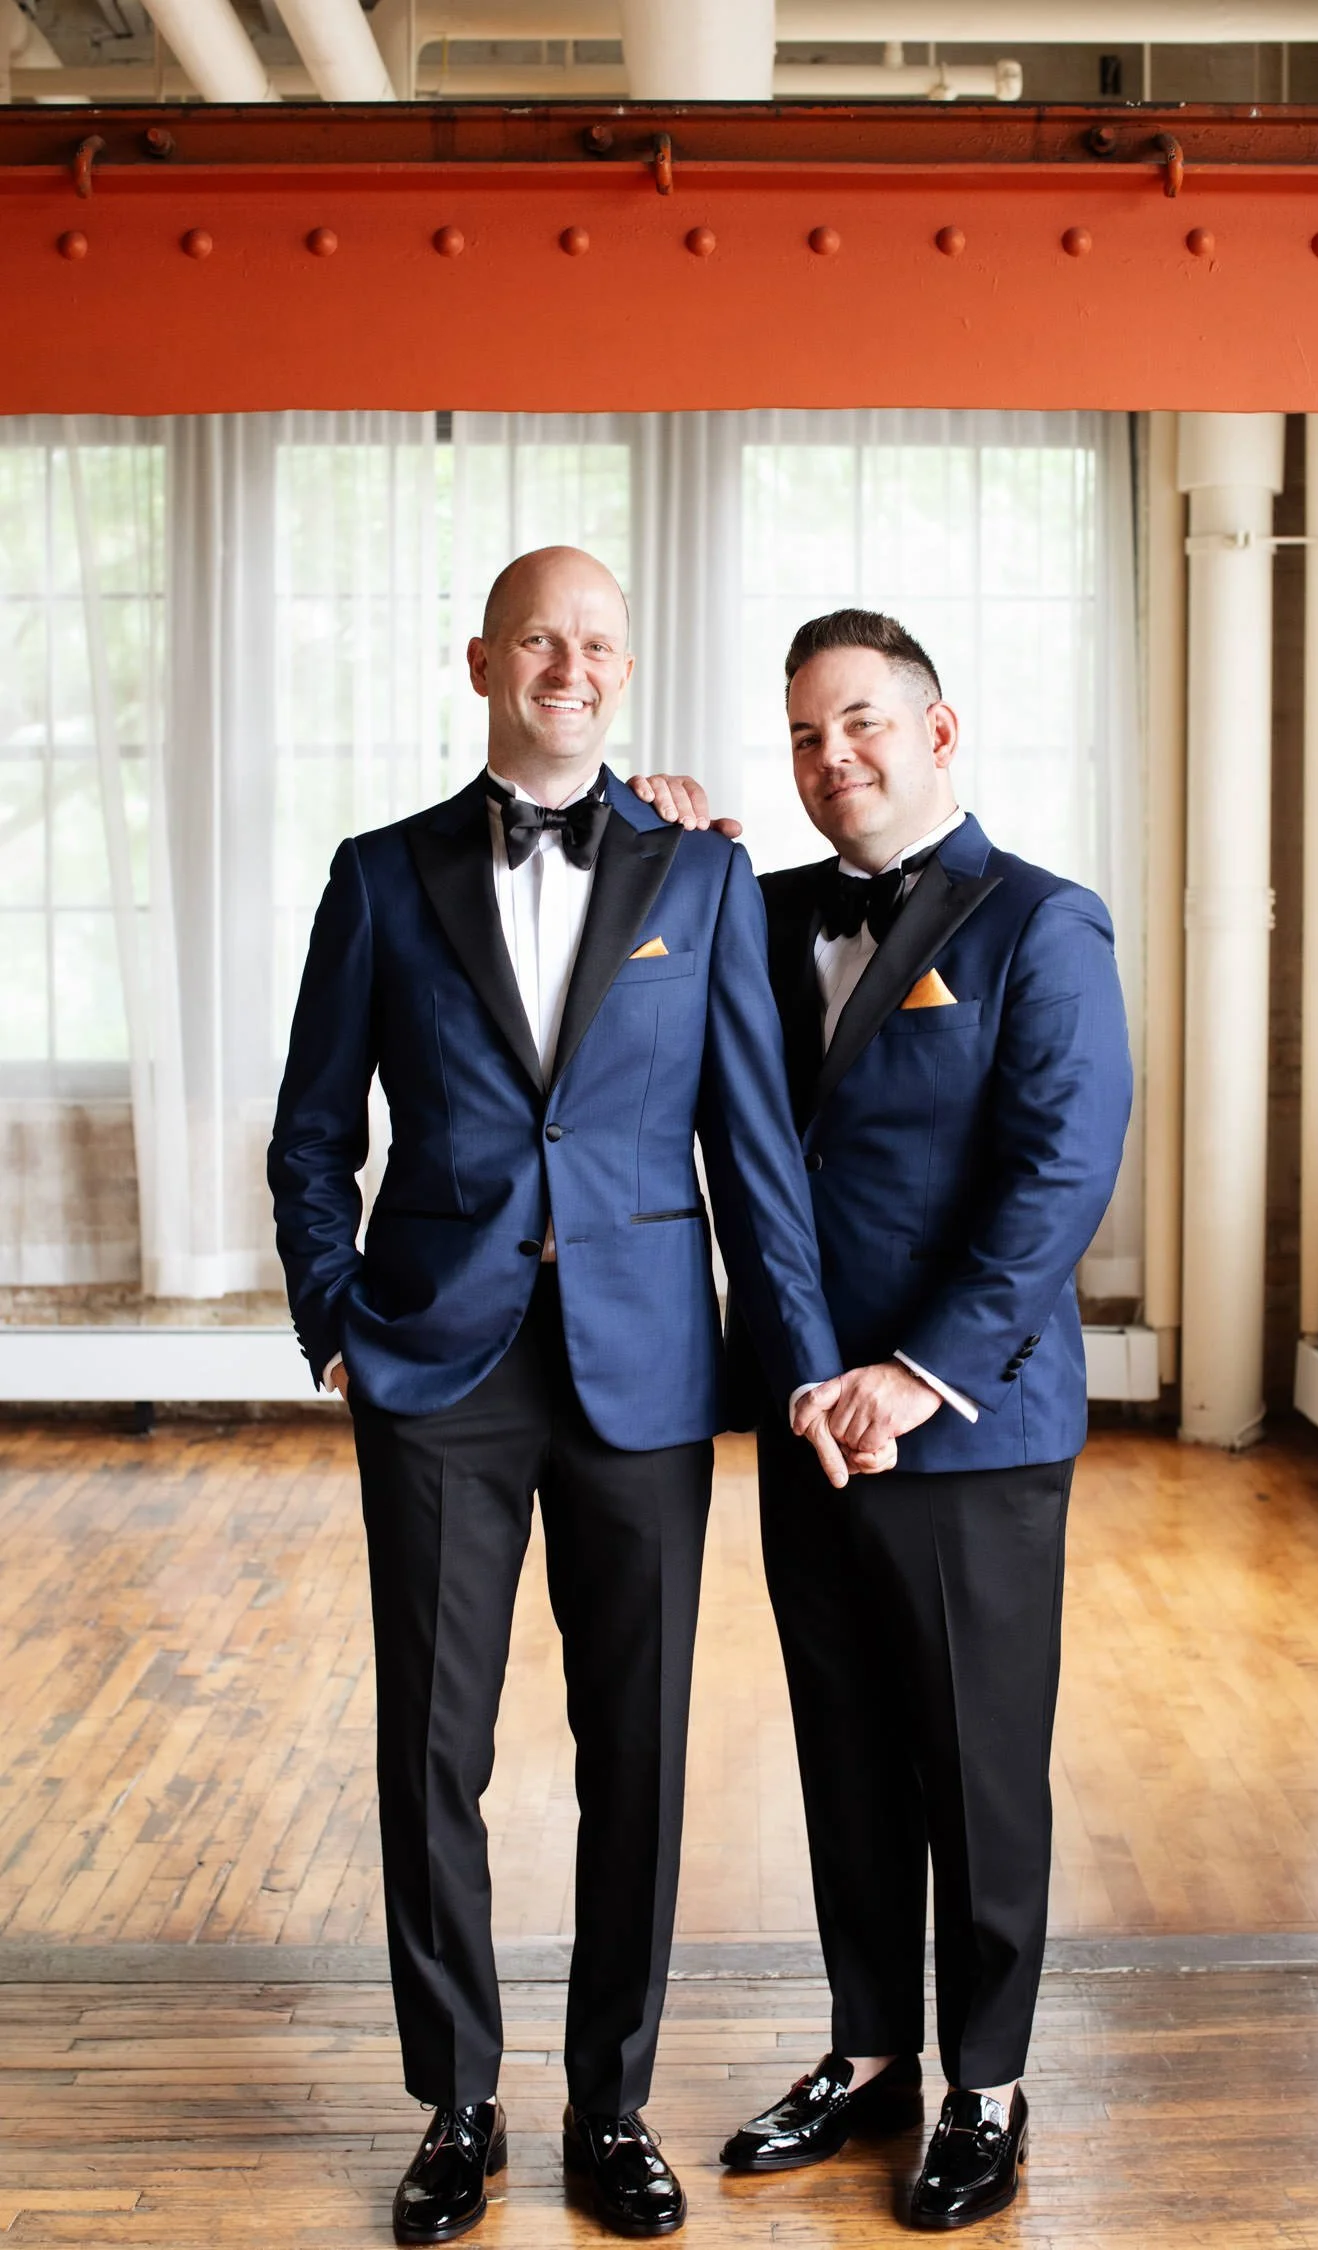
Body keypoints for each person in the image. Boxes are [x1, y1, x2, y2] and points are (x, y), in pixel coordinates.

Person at [267, 548, 855, 2245]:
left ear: (624, 666)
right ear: (484, 662)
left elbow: (756, 1153)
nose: (572, 665)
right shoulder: (379, 877)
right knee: (431, 1747)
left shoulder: (706, 872)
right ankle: (458, 2101)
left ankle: (612, 2103)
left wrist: (799, 1360)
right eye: (543, 638)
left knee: (640, 1746)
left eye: (598, 642)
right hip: (435, 1363)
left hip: (646, 1368)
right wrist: (330, 1309)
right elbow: (315, 1133)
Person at [632, 608, 1132, 2231]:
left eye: (858, 724)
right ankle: (869, 2054)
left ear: (938, 729)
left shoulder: (1042, 924)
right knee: (845, 1755)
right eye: (800, 737)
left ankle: (988, 2083)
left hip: (964, 1426)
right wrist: (655, 830)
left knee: (979, 1769)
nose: (828, 760)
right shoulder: (757, 911)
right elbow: (637, 980)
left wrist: (914, 1373)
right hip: (805, 1412)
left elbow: (1056, 1179)